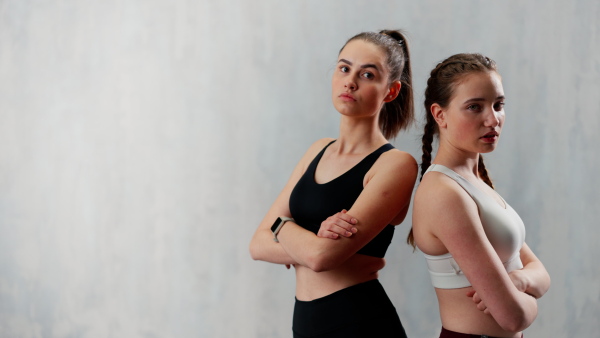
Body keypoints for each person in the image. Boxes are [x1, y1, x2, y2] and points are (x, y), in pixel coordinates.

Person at [249, 30, 417, 338]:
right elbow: (257, 245)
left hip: (358, 322)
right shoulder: (317, 149)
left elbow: (322, 257)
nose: (350, 81)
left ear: (390, 91)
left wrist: (282, 227)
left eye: (367, 74)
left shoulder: (395, 164)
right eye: (344, 68)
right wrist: (312, 240)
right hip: (305, 322)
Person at [408, 53, 551, 338]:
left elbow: (541, 274)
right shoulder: (444, 193)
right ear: (440, 114)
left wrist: (519, 280)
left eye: (498, 105)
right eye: (475, 107)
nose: (492, 119)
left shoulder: (475, 183)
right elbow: (513, 317)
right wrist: (527, 299)